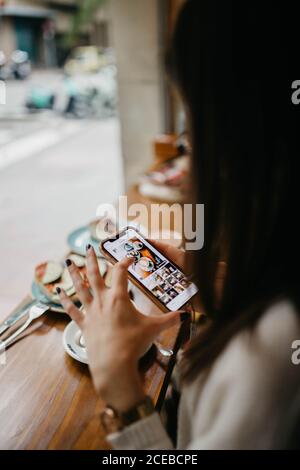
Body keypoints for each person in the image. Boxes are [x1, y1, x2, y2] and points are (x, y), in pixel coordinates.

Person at [57, 0, 300, 449]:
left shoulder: (267, 361)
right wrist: (208, 280)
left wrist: (122, 392)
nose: (188, 162)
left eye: (194, 131)